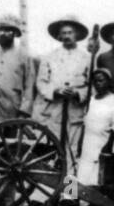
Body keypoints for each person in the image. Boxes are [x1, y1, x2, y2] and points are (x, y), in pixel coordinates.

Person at [34, 14, 94, 156]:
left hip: (75, 112)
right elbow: (41, 82)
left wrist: (78, 94)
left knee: (71, 152)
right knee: (52, 150)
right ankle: (54, 178)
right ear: (59, 36)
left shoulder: (87, 58)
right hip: (54, 112)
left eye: (70, 32)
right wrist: (55, 91)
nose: (67, 36)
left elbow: (92, 86)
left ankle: (69, 179)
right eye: (64, 33)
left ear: (77, 35)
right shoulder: (49, 57)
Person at [74, 68, 114, 206]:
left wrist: (109, 145)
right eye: (95, 81)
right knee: (80, 170)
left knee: (94, 175)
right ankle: (71, 198)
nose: (97, 84)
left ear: (108, 82)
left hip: (102, 142)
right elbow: (85, 123)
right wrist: (80, 143)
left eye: (101, 80)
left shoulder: (113, 100)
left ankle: (91, 204)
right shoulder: (91, 100)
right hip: (88, 141)